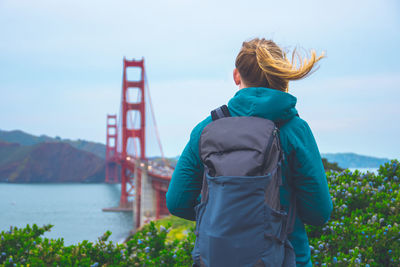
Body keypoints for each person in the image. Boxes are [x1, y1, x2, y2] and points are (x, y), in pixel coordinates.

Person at [166, 38, 333, 267]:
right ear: (281, 76)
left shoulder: (206, 129)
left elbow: (177, 201)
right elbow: (319, 213)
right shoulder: (295, 130)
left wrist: (225, 213)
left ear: (236, 76)